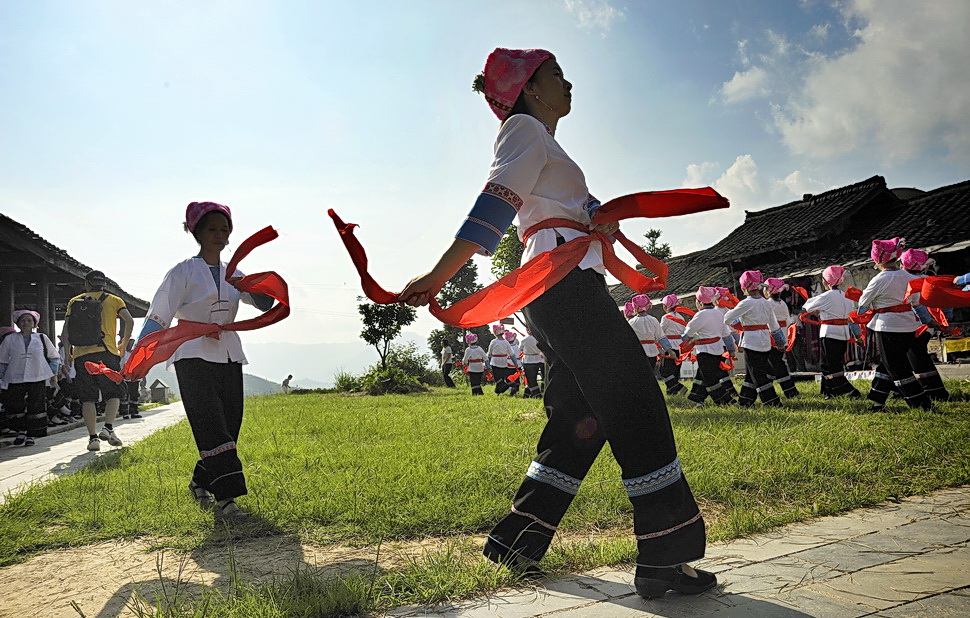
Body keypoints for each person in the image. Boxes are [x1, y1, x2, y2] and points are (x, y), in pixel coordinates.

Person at [398, 48, 714, 599]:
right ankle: (665, 555)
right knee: (634, 400)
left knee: (578, 416)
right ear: (530, 89)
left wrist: (598, 218)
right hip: (561, 282)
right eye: (556, 76)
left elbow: (560, 206)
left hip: (563, 283)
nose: (569, 85)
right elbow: (497, 202)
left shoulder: (544, 140)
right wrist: (439, 274)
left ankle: (517, 541)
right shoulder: (522, 129)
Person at [134, 201, 275, 520]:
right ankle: (227, 499)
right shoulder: (182, 271)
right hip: (191, 353)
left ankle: (200, 481)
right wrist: (139, 355)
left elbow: (264, 303)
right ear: (196, 232)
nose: (219, 235)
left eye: (224, 229)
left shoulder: (233, 272)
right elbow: (159, 314)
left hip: (228, 352)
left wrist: (254, 286)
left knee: (229, 425)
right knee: (209, 423)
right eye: (212, 229)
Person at [63, 269, 134, 452]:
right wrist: (123, 343)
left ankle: (93, 439)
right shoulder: (114, 300)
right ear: (103, 284)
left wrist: (68, 354)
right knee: (114, 393)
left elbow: (66, 330)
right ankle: (108, 427)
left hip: (82, 355)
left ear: (87, 283)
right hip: (106, 352)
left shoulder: (75, 301)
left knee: (88, 398)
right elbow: (129, 320)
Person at [858, 238, 931, 411]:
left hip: (887, 326)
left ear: (877, 259)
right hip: (909, 326)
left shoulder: (879, 279)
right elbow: (917, 303)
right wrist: (929, 321)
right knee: (887, 364)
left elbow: (862, 304)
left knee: (896, 367)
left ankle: (921, 403)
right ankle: (877, 401)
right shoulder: (909, 277)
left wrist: (868, 309)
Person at [722, 272, 785, 407]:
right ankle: (745, 401)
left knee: (758, 375)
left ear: (744, 288)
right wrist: (780, 342)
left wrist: (738, 321)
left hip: (751, 341)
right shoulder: (766, 303)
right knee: (752, 373)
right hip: (765, 341)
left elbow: (727, 319)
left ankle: (773, 402)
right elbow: (774, 325)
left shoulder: (745, 303)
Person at [801, 266, 862, 399]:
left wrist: (818, 309)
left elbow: (806, 307)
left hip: (830, 333)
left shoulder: (826, 296)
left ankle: (849, 391)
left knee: (828, 366)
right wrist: (858, 335)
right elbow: (852, 318)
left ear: (826, 281)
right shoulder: (847, 296)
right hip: (844, 333)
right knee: (834, 363)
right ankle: (829, 392)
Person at [0, 310, 59, 446]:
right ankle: (21, 431)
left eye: (29, 320)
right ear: (17, 323)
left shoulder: (42, 338)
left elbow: (54, 357)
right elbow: (2, 361)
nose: (25, 323)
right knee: (16, 406)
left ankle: (31, 435)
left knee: (35, 406)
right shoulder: (10, 339)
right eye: (22, 320)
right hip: (14, 377)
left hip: (37, 376)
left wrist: (54, 375)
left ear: (34, 324)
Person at [900, 249, 949, 401]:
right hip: (928, 325)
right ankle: (933, 390)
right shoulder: (929, 280)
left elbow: (915, 305)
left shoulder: (907, 281)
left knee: (916, 355)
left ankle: (932, 390)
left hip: (916, 324)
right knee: (917, 354)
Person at [683, 287, 737, 406]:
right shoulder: (719, 314)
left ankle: (726, 401)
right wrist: (731, 349)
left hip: (705, 351)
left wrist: (686, 339)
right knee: (704, 375)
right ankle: (696, 398)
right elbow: (726, 334)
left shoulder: (700, 315)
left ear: (700, 302)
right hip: (718, 350)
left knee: (710, 379)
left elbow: (688, 333)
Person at [762, 278, 799, 398]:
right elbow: (787, 321)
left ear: (767, 291)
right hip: (783, 334)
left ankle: (790, 390)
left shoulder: (767, 304)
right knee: (771, 364)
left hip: (772, 336)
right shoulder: (782, 303)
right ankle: (766, 387)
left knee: (777, 364)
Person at [627, 294, 674, 370]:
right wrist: (670, 351)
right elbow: (661, 337)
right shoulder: (653, 320)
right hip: (652, 351)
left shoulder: (631, 322)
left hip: (638, 351)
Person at [658, 295, 688, 395]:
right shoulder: (681, 317)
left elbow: (660, 331)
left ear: (666, 306)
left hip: (669, 346)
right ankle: (671, 392)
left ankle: (679, 387)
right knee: (675, 371)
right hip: (679, 346)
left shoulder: (666, 317)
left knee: (664, 371)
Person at [487, 324, 515, 395]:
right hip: (504, 362)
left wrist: (487, 364)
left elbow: (489, 354)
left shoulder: (493, 342)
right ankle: (497, 392)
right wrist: (515, 363)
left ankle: (509, 387)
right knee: (501, 378)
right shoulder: (506, 342)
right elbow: (512, 354)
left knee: (498, 379)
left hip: (495, 362)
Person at [519, 328, 544, 398]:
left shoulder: (524, 339)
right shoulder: (539, 338)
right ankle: (526, 394)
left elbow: (520, 348)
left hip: (528, 360)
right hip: (539, 359)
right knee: (533, 378)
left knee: (531, 379)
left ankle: (537, 394)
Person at [503, 331, 522, 396]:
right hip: (517, 365)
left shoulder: (505, 347)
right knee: (516, 378)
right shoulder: (517, 347)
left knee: (508, 378)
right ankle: (517, 390)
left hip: (508, 365)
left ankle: (511, 388)